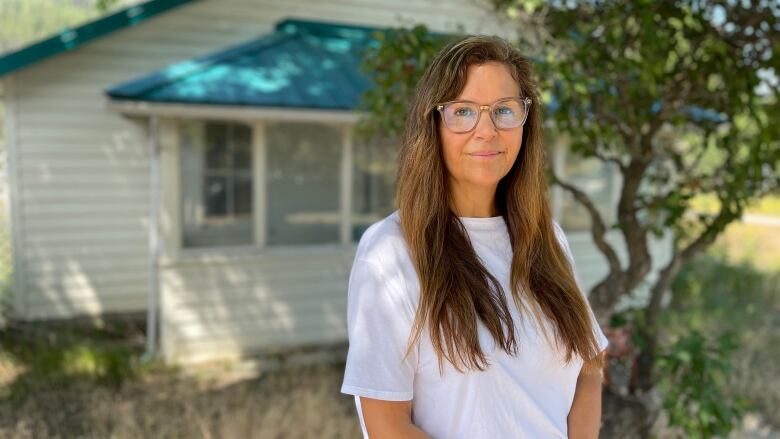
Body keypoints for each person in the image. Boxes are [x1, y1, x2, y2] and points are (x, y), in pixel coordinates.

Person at [340, 35, 609, 439]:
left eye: (504, 110)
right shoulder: (391, 253)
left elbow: (590, 364)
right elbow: (388, 428)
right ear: (433, 123)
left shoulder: (545, 238)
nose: (487, 130)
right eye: (463, 111)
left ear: (525, 121)